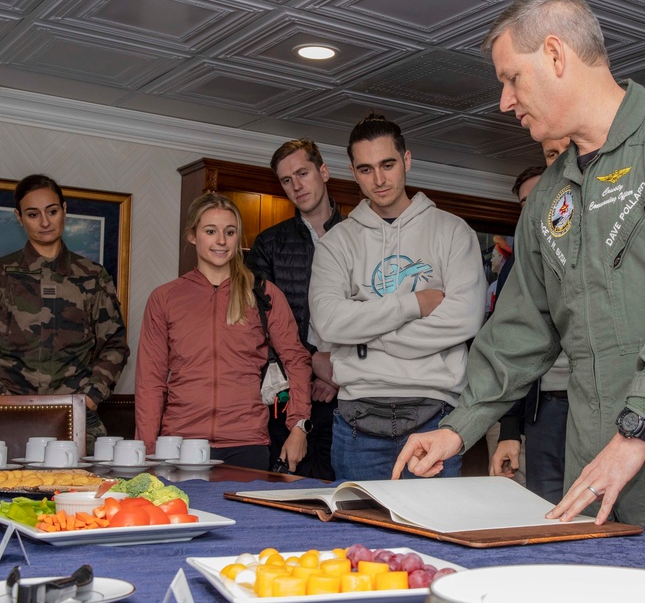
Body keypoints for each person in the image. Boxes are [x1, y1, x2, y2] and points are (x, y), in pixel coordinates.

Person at [393, 0, 645, 545]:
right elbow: (520, 327)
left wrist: (634, 431)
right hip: (596, 462)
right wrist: (458, 428)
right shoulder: (551, 194)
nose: (505, 101)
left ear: (556, 55)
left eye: (512, 79)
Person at [309, 113, 486, 481]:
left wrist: (366, 332)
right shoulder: (336, 243)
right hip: (357, 422)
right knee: (357, 536)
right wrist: (414, 305)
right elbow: (328, 320)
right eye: (366, 169)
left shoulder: (454, 232)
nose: (378, 179)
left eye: (387, 164)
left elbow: (465, 318)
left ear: (406, 160)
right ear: (353, 172)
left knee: (434, 534)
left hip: (435, 420)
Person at [0, 174, 129, 453]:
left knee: (83, 495)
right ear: (19, 217)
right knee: (0, 493)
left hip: (76, 419)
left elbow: (115, 344)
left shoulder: (93, 276)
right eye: (33, 214)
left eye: (52, 211)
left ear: (64, 210)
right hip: (8, 416)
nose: (45, 222)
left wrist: (91, 397)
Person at [135, 192, 312, 469]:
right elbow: (150, 380)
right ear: (192, 235)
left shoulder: (264, 294)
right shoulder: (165, 298)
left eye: (230, 232)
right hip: (179, 444)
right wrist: (145, 449)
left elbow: (296, 360)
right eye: (210, 231)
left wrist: (299, 426)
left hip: (247, 443)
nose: (221, 241)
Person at [247, 138, 342, 479]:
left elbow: (376, 312)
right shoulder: (269, 244)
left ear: (324, 172)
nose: (297, 185)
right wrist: (313, 361)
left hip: (351, 397)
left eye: (303, 173)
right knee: (287, 492)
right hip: (286, 394)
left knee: (345, 495)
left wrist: (337, 373)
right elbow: (258, 322)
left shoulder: (361, 235)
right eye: (287, 180)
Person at [490, 160, 571, 503]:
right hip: (544, 409)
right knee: (544, 511)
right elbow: (507, 346)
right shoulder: (516, 265)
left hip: (596, 407)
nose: (532, 210)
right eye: (524, 204)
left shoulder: (595, 244)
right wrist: (510, 429)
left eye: (540, 197)